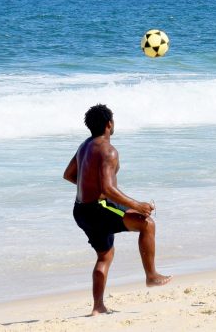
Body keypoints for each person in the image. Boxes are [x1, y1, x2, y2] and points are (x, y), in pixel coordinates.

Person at [62, 104, 171, 316]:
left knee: (105, 256)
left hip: (80, 210)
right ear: (109, 124)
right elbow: (108, 189)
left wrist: (89, 187)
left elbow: (68, 174)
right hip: (98, 208)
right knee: (147, 224)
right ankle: (151, 276)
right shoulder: (108, 150)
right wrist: (136, 205)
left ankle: (98, 307)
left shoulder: (84, 146)